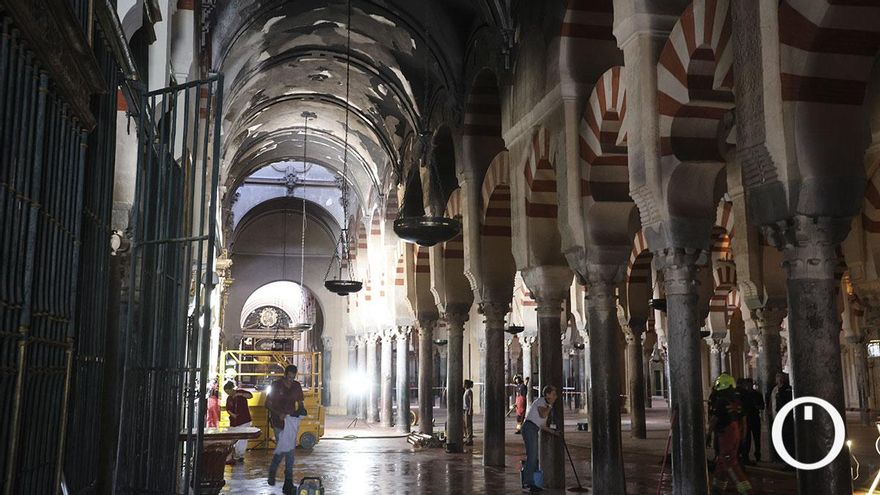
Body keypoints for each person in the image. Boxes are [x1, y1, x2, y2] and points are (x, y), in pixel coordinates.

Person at [707, 374, 753, 494]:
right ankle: (717, 490)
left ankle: (746, 491)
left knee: (730, 464)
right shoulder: (736, 400)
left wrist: (708, 434)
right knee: (722, 463)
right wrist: (743, 436)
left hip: (726, 434)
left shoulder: (721, 401)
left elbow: (714, 419)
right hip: (735, 431)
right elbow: (743, 419)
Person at [265, 365, 305, 493]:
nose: (290, 380)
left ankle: (276, 474)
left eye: (293, 378)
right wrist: (278, 413)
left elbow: (300, 403)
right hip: (279, 422)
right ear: (285, 374)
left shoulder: (296, 386)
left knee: (285, 450)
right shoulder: (276, 385)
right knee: (287, 450)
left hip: (291, 423)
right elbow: (267, 404)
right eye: (288, 377)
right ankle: (287, 482)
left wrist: (301, 411)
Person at [521, 385, 561, 493]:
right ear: (547, 395)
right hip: (529, 428)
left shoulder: (545, 404)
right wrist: (551, 405)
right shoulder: (541, 401)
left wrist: (554, 432)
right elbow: (543, 414)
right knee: (532, 457)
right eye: (553, 394)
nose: (555, 397)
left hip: (533, 429)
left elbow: (542, 425)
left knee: (534, 458)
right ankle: (527, 483)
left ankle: (531, 482)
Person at [736, 378, 764, 464]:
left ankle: (757, 455)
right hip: (747, 419)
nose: (748, 386)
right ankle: (745, 456)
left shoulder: (757, 394)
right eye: (746, 384)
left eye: (749, 384)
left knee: (757, 438)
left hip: (755, 418)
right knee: (747, 438)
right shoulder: (744, 394)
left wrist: (756, 405)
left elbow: (762, 406)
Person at [225, 381, 254, 463]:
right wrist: (232, 414)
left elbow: (250, 396)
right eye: (226, 392)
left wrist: (240, 394)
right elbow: (228, 408)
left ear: (232, 389)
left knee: (242, 439)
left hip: (244, 419)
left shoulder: (241, 392)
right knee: (234, 438)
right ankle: (234, 455)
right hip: (234, 421)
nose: (228, 394)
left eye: (228, 391)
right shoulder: (229, 398)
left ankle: (240, 455)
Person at [463, 380, 474, 446]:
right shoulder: (466, 391)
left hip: (467, 410)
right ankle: (467, 438)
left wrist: (470, 410)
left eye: (464, 384)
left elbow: (471, 401)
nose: (463, 385)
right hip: (464, 409)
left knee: (468, 425)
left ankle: (470, 440)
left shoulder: (469, 391)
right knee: (465, 425)